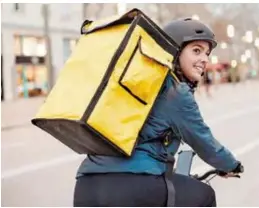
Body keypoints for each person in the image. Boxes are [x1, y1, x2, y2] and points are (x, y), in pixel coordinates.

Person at [73, 17, 244, 207]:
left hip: (86, 186)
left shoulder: (131, 84)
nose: (204, 59)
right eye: (196, 50)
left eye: (207, 53)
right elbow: (204, 141)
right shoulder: (175, 92)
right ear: (175, 51)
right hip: (133, 187)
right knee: (204, 195)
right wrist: (231, 165)